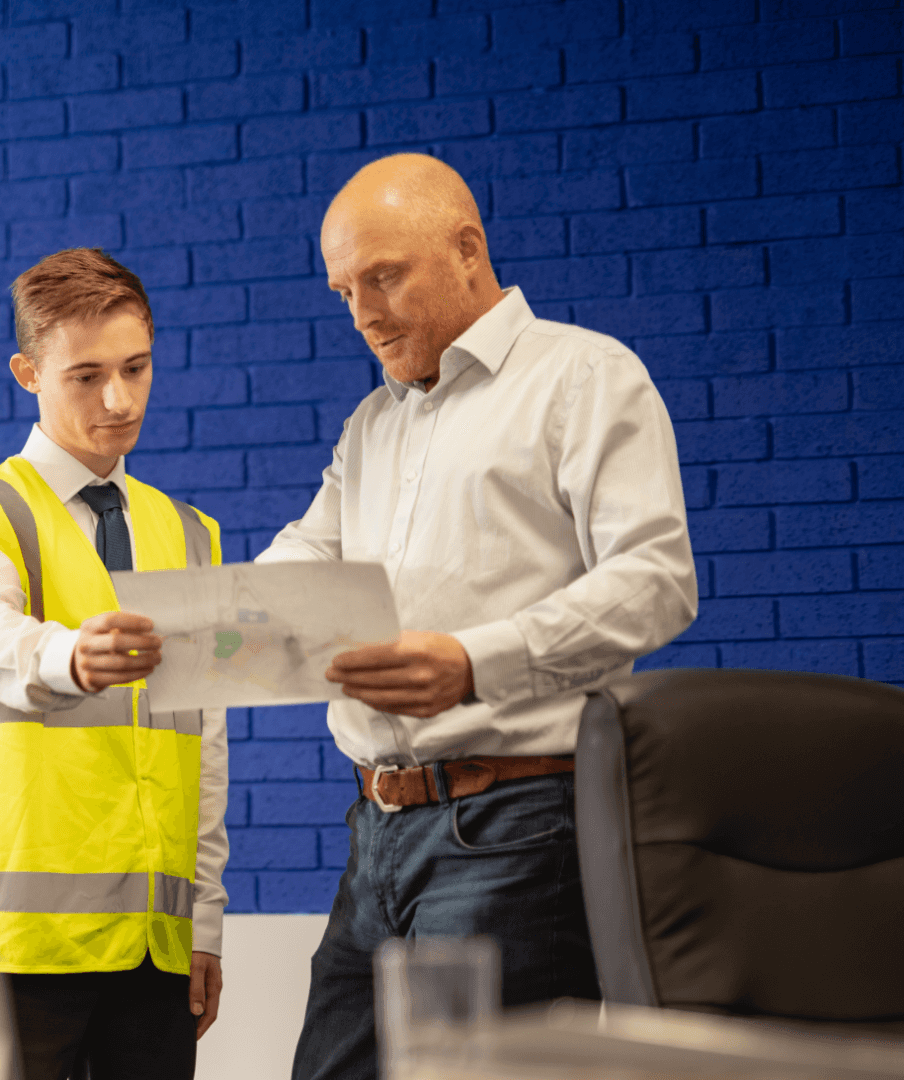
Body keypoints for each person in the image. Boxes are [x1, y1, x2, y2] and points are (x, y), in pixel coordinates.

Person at [258, 154, 698, 1080]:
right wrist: (196, 624)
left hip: (516, 827)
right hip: (375, 831)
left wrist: (475, 661)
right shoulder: (374, 424)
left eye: (383, 277)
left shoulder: (584, 377)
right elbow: (306, 555)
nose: (363, 313)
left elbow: (656, 578)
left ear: (468, 249)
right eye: (344, 291)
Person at [0, 249, 230, 1080]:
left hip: (155, 946)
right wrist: (73, 655)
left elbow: (205, 742)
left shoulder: (189, 532)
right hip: (21, 945)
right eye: (85, 376)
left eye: (136, 368)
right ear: (26, 373)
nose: (119, 400)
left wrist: (205, 926)